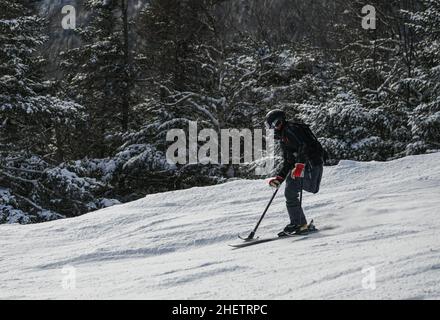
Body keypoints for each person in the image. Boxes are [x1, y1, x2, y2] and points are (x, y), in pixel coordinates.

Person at [265, 109, 326, 236]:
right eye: (271, 126)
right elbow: (288, 161)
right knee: (290, 190)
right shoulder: (283, 137)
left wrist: (299, 166)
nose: (274, 128)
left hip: (313, 162)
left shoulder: (291, 129)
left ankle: (299, 223)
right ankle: (298, 223)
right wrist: (279, 178)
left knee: (312, 188)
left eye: (276, 124)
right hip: (303, 165)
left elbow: (304, 146)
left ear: (281, 121)